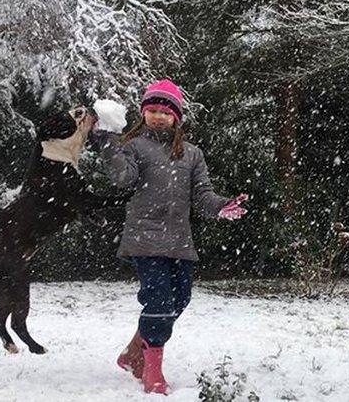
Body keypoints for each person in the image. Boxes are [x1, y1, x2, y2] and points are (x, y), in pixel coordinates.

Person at [92, 79, 248, 395]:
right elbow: (124, 178)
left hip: (179, 239)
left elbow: (202, 195)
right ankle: (152, 371)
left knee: (180, 299)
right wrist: (108, 143)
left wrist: (220, 207)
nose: (158, 116)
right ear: (143, 113)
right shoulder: (133, 145)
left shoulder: (192, 154)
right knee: (159, 300)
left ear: (177, 116)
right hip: (145, 237)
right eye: (152, 110)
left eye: (165, 111)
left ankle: (134, 353)